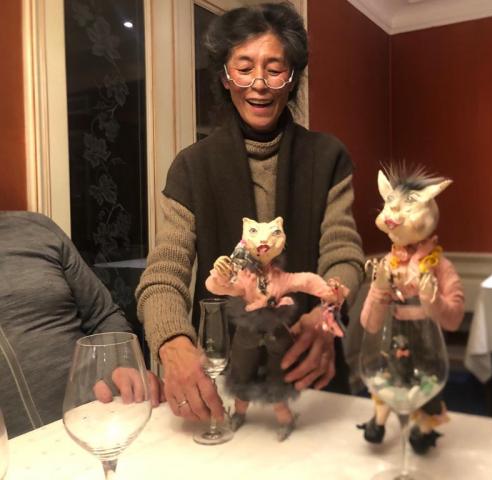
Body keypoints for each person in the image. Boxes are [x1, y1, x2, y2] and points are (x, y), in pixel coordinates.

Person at [135, 3, 365, 423]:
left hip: (306, 373)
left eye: (274, 69)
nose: (259, 84)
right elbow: (163, 275)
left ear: (291, 79)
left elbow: (343, 255)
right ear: (225, 77)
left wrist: (326, 314)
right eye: (244, 68)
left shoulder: (328, 157)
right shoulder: (192, 167)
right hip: (223, 381)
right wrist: (172, 343)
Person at [0, 211, 163, 438]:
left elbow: (102, 314)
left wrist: (122, 363)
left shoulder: (38, 228)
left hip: (102, 423)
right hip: (16, 452)